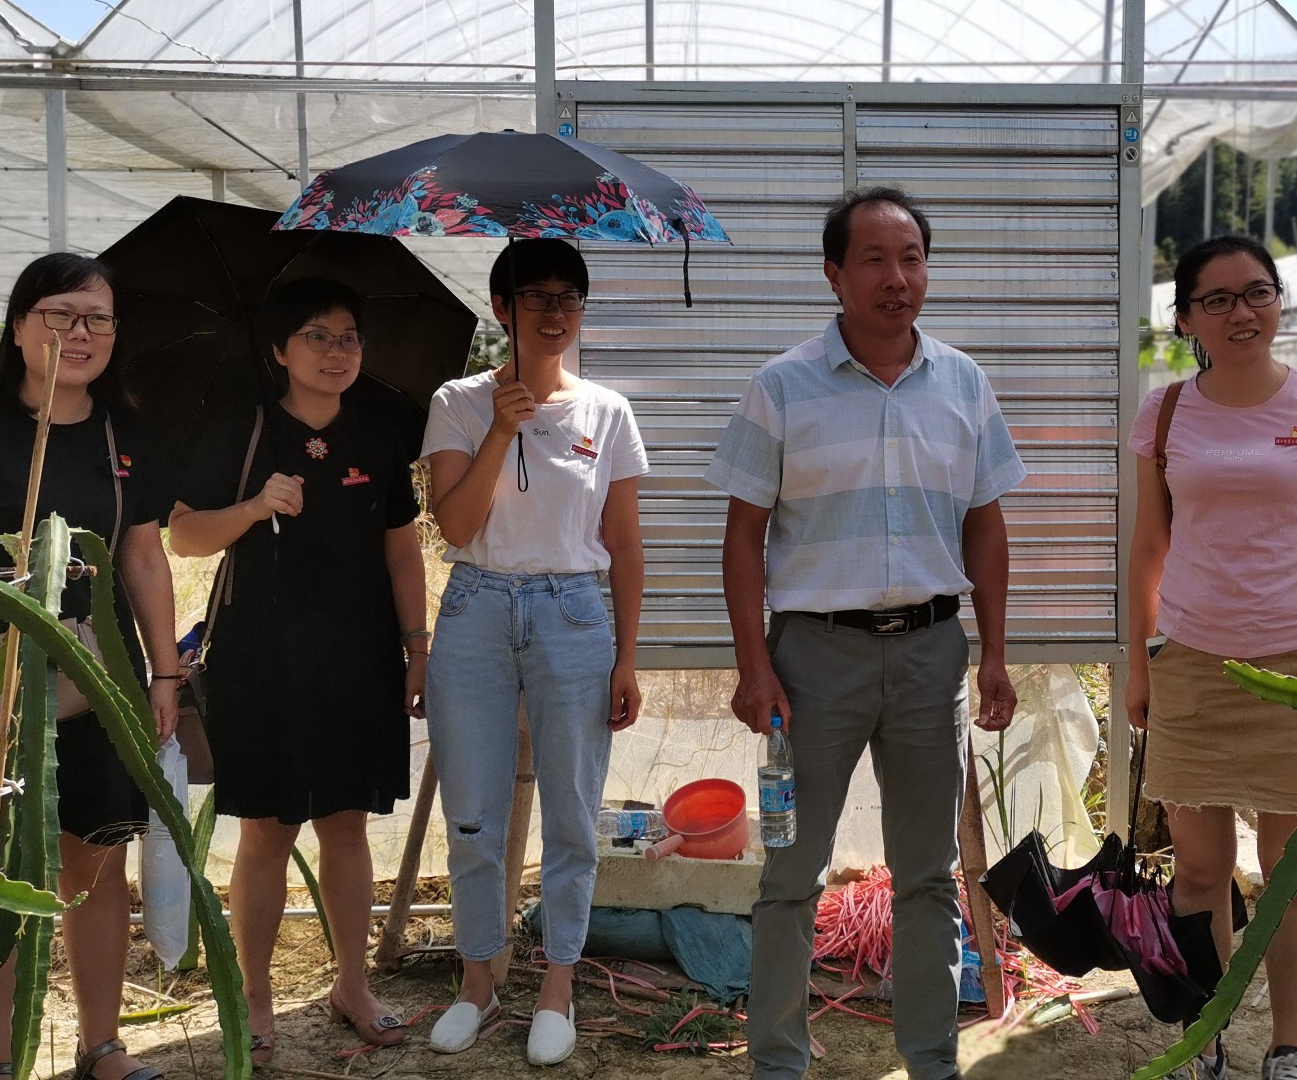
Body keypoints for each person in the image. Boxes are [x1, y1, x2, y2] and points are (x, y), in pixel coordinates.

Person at [707, 186, 1025, 1080]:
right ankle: (778, 1062)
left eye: (912, 258)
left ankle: (931, 1061)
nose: (897, 278)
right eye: (875, 259)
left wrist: (996, 654)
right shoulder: (782, 386)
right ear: (834, 275)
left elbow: (986, 525)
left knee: (927, 874)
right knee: (791, 875)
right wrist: (754, 666)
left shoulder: (963, 383)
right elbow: (742, 536)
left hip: (932, 653)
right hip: (814, 659)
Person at [1127, 236, 1297, 1080]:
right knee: (1200, 868)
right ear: (1187, 319)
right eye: (1218, 299)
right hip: (1194, 662)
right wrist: (1138, 665)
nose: (1242, 312)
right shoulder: (1165, 412)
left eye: (1258, 293)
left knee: (1290, 870)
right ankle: (1204, 1039)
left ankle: (1288, 1048)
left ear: (1277, 303)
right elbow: (1149, 549)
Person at [169, 278, 425, 1061]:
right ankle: (255, 995)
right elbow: (184, 536)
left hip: (359, 656)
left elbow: (403, 549)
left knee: (346, 825)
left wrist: (418, 646)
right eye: (317, 336)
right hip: (261, 658)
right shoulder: (242, 430)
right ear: (279, 350)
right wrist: (254, 506)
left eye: (348, 337)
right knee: (267, 830)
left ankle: (352, 984)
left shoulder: (380, 432)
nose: (336, 352)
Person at [0, 253, 180, 1080]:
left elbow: (142, 557)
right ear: (19, 327)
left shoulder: (127, 434)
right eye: (60, 314)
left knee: (99, 857)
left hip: (101, 677)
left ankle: (101, 1046)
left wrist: (164, 675)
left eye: (97, 318)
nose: (80, 333)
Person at [421, 238, 647, 1067]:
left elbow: (624, 544)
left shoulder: (607, 411)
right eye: (536, 296)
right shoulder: (457, 401)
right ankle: (478, 980)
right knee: (472, 811)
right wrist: (501, 428)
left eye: (568, 297)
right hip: (476, 607)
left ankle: (558, 985)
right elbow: (454, 524)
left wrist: (627, 657)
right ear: (501, 308)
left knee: (573, 813)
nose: (555, 313)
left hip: (574, 612)